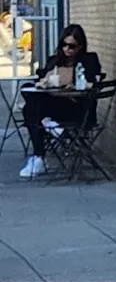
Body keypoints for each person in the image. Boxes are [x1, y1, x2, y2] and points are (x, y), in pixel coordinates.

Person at [19, 24, 102, 179]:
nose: (67, 49)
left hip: (76, 107)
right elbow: (41, 79)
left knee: (30, 110)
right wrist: (45, 82)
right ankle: (48, 127)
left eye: (72, 46)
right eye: (64, 44)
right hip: (53, 104)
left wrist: (77, 84)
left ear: (80, 46)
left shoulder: (88, 60)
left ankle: (39, 157)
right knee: (28, 94)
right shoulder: (55, 60)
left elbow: (94, 83)